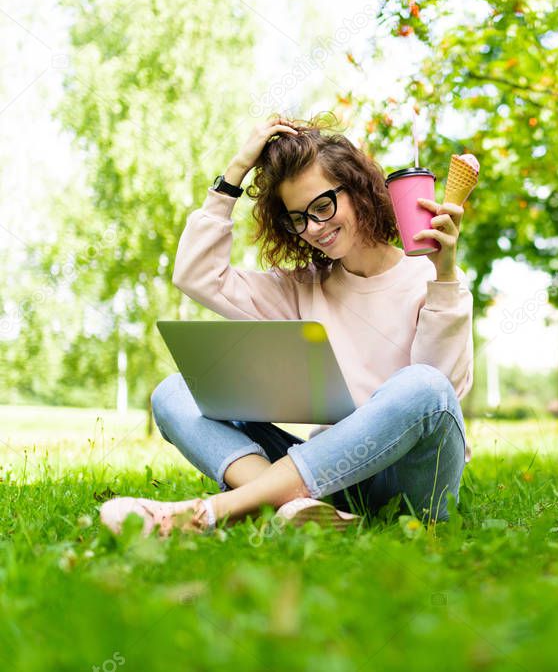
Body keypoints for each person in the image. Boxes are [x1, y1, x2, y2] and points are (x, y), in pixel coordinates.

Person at [99, 114, 474, 537]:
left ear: (360, 191)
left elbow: (442, 394)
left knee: (422, 384)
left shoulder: (434, 278)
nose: (315, 228)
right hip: (336, 480)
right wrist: (236, 171)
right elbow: (197, 276)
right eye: (299, 218)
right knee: (174, 393)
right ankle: (304, 508)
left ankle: (212, 512)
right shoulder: (302, 287)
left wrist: (444, 278)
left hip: (413, 485)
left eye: (323, 206)